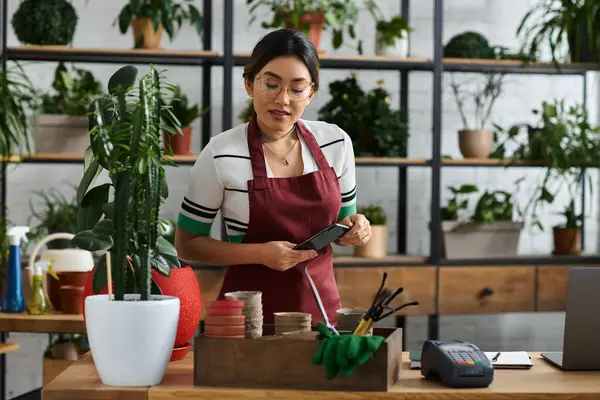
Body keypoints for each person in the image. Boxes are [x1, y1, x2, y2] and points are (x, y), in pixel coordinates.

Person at [174, 28, 372, 325]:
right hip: (246, 319)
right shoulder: (221, 153)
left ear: (311, 93)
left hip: (320, 313)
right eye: (271, 84)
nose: (283, 100)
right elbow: (186, 244)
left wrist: (357, 227)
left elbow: (345, 222)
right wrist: (260, 255)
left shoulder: (336, 143)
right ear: (249, 84)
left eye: (297, 88)